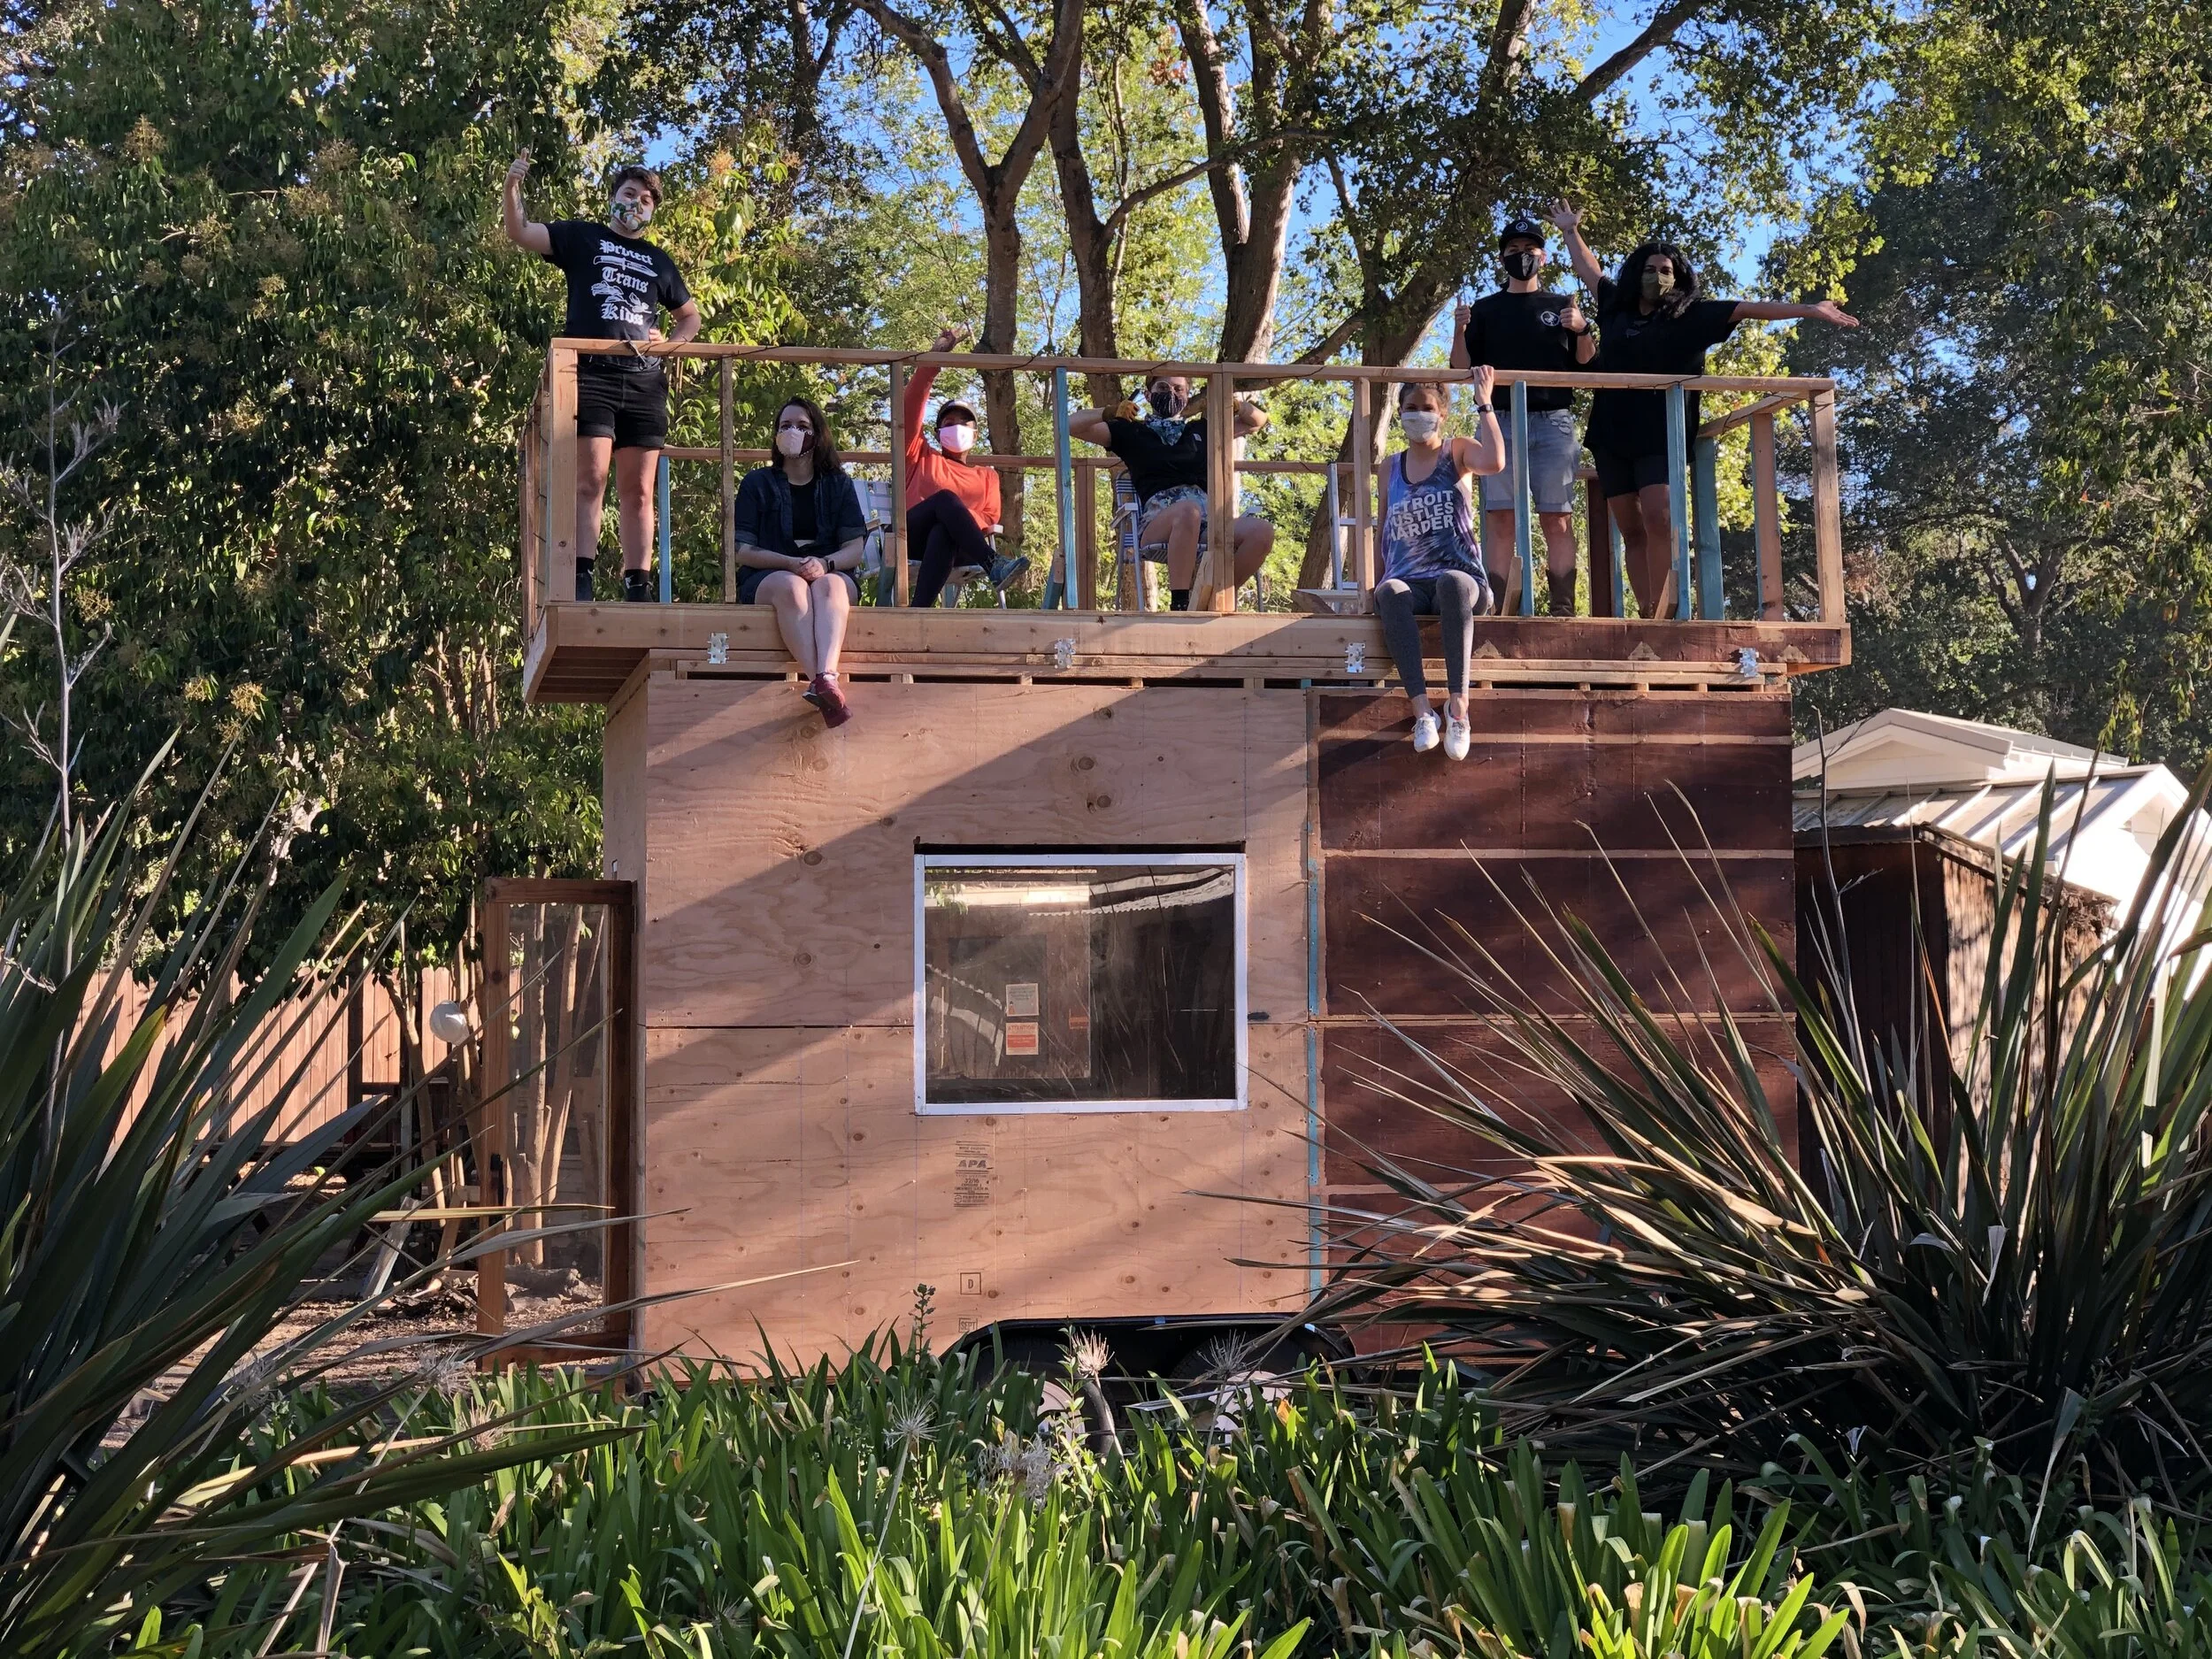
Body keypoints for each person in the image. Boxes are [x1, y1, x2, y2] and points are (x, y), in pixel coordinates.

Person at [1548, 199, 1857, 618]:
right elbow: (1590, 269)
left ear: (1678, 278)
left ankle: (1667, 611)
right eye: (1650, 268)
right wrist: (1570, 230)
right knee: (1630, 527)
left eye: (1666, 270)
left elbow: (1747, 309)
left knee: (1659, 517)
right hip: (1611, 431)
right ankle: (1646, 613)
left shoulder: (1690, 315)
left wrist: (1808, 310)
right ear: (1636, 273)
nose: (1657, 276)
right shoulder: (1615, 306)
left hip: (1662, 432)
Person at [503, 154, 703, 603]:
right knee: (590, 480)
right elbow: (521, 232)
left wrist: (669, 344)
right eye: (630, 194)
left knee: (638, 490)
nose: (637, 203)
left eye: (647, 199)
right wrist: (512, 190)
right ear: (614, 198)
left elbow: (689, 317)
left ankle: (638, 585)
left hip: (645, 379)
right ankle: (581, 576)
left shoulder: (658, 261)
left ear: (653, 211)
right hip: (592, 372)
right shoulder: (583, 237)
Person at [1449, 214, 1596, 616]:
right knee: (1500, 519)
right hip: (1501, 422)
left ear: (1543, 257)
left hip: (1554, 421)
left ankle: (1563, 610)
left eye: (1529, 250)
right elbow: (1458, 368)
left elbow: (1587, 366)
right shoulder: (1484, 309)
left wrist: (1582, 329)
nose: (1522, 256)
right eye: (1513, 250)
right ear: (1502, 259)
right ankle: (1496, 610)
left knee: (1557, 519)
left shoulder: (1562, 305)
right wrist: (1459, 330)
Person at [1374, 372, 1506, 760]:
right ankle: (1422, 712)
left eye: (1427, 408)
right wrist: (1374, 582)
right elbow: (1383, 529)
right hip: (1410, 583)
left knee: (1451, 581)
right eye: (1411, 409)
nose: (1419, 416)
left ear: (1442, 414)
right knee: (1389, 592)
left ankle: (1458, 707)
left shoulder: (1457, 451)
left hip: (1461, 582)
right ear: (1400, 413)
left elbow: (1495, 461)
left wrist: (1484, 402)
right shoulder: (1390, 468)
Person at [1069, 374, 1273, 610]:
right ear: (1148, 395)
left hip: (1207, 526)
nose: (1171, 393)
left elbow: (1258, 421)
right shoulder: (1131, 432)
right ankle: (1180, 606)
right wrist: (1109, 412)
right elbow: (1070, 425)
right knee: (1188, 512)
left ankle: (1213, 598)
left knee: (1261, 530)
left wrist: (1236, 405)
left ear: (1187, 397)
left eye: (1179, 389)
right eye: (1163, 387)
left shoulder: (1203, 430)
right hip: (1157, 525)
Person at [732, 397, 868, 727]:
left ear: (818, 434)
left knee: (831, 585)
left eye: (802, 426)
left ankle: (824, 680)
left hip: (830, 572)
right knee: (793, 587)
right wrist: (790, 564)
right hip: (768, 578)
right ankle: (823, 681)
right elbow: (742, 550)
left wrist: (827, 563)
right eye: (785, 426)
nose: (792, 432)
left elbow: (855, 548)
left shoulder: (839, 484)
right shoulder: (756, 483)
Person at [900, 326, 1028, 605]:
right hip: (910, 537)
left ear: (975, 434)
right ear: (937, 433)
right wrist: (933, 360)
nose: (956, 428)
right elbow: (908, 408)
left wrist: (954, 517)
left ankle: (917, 611)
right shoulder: (919, 455)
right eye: (948, 424)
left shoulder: (986, 476)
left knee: (944, 529)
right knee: (945, 501)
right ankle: (993, 563)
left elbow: (989, 517)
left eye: (963, 423)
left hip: (960, 546)